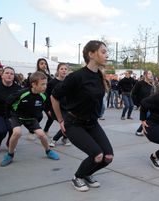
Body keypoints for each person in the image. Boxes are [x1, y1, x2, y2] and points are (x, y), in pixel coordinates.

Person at [51, 40, 113, 192]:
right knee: (97, 155)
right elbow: (54, 96)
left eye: (106, 52)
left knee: (108, 156)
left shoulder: (99, 76)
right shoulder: (76, 77)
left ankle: (87, 173)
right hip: (74, 123)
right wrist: (60, 120)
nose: (107, 55)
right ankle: (77, 177)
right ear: (91, 54)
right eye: (103, 52)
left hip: (92, 124)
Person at [1, 72, 59, 167]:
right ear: (33, 84)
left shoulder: (43, 95)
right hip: (17, 116)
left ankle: (48, 151)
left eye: (46, 84)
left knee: (42, 135)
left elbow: (45, 105)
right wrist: (9, 116)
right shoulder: (22, 93)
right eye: (42, 84)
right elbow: (8, 102)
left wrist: (47, 112)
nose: (45, 87)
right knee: (17, 133)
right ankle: (9, 155)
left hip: (31, 118)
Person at [0, 67, 22, 153]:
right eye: (7, 73)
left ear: (14, 76)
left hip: (11, 114)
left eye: (11, 74)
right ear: (2, 75)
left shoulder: (18, 89)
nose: (9, 75)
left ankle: (10, 142)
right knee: (1, 130)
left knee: (14, 129)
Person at [26, 58, 53, 140]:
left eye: (45, 63)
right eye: (41, 63)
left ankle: (46, 130)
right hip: (35, 99)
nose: (44, 65)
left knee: (52, 115)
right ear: (38, 65)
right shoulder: (33, 76)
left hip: (46, 99)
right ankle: (31, 132)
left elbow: (51, 88)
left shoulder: (48, 77)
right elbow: (28, 87)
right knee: (38, 116)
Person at [46, 63, 71, 148]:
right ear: (57, 71)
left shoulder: (68, 82)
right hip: (55, 108)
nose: (64, 70)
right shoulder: (52, 83)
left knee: (68, 123)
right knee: (66, 123)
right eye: (61, 69)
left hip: (66, 107)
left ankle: (64, 138)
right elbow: (47, 96)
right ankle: (55, 139)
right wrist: (47, 109)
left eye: (65, 69)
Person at [131, 70, 155, 136]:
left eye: (151, 73)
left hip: (150, 105)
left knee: (150, 118)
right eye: (149, 74)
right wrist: (138, 105)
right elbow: (133, 94)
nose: (151, 75)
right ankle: (140, 130)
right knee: (148, 118)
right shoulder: (140, 83)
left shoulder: (151, 85)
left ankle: (141, 130)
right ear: (145, 76)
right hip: (143, 105)